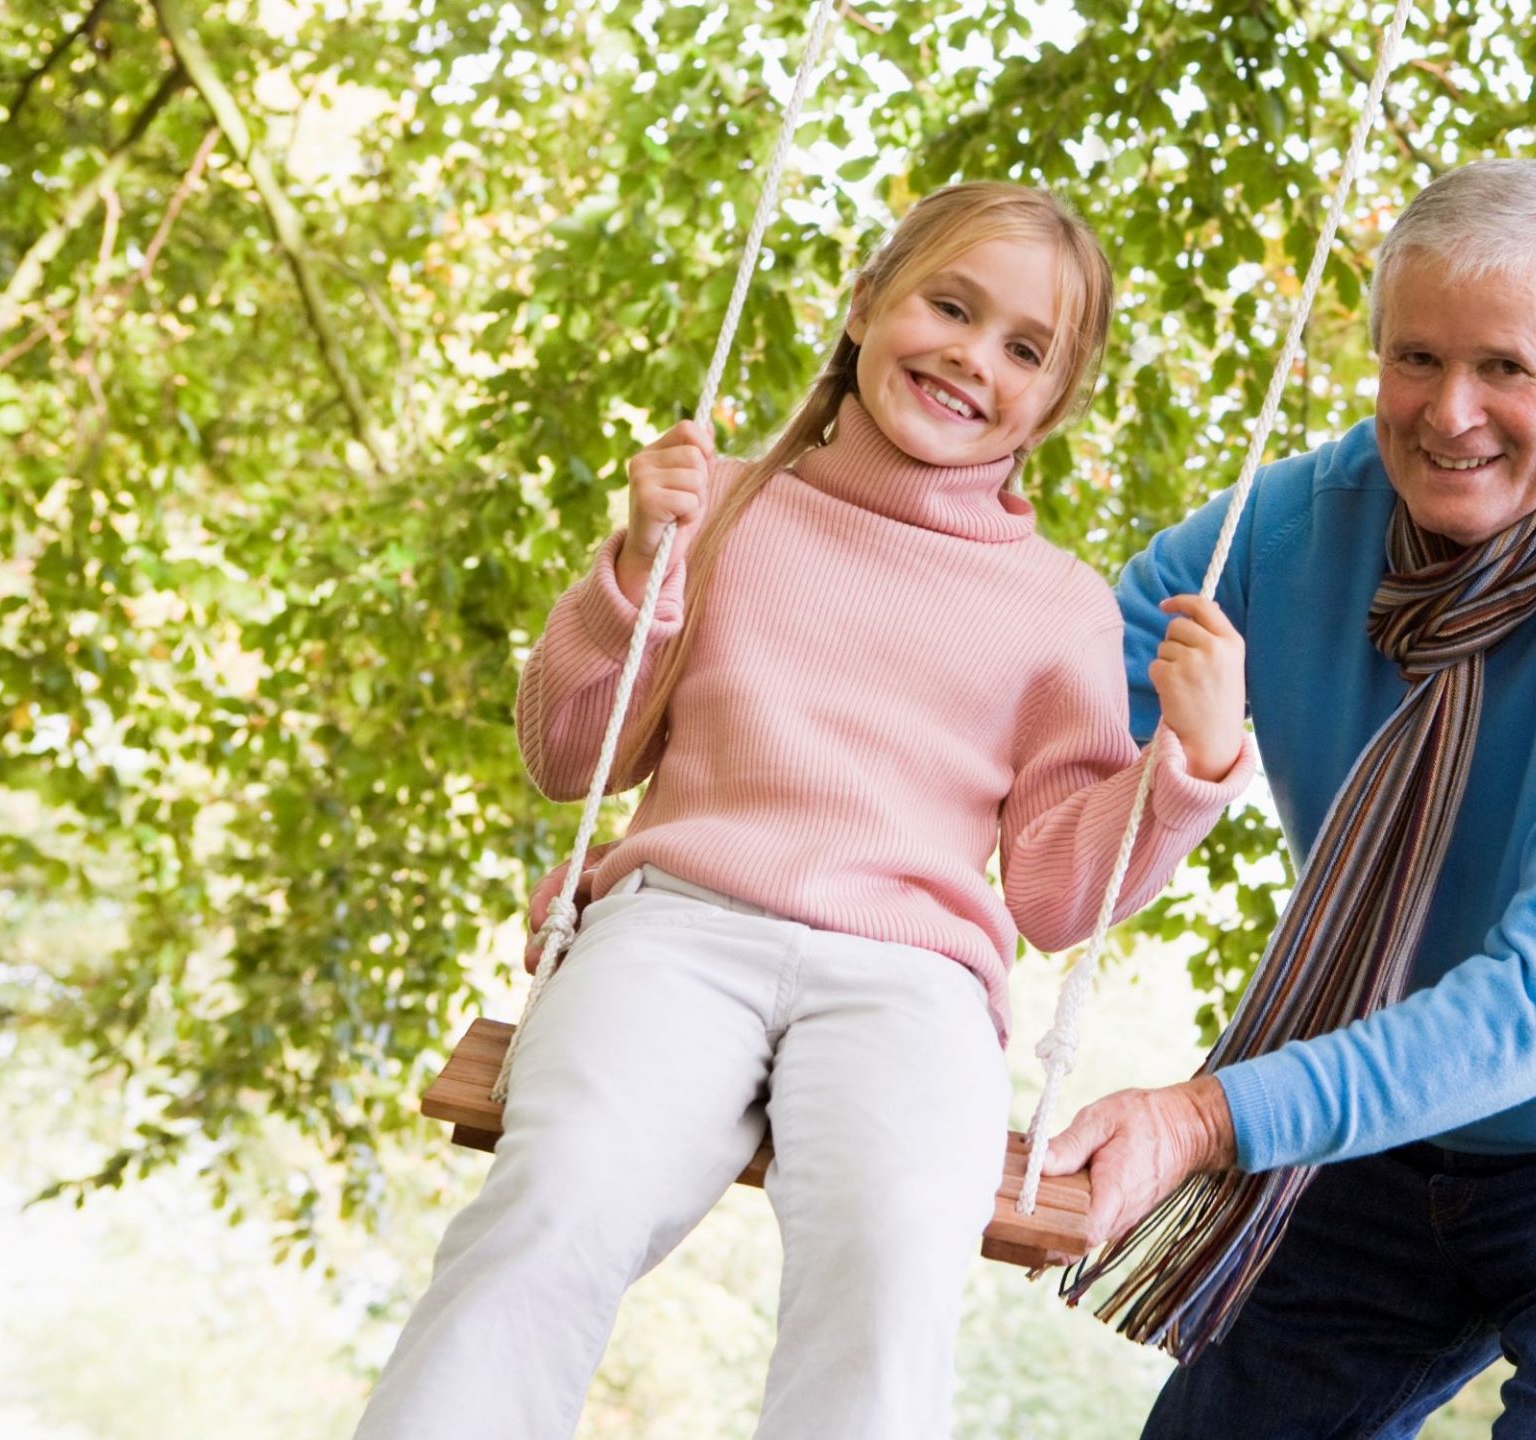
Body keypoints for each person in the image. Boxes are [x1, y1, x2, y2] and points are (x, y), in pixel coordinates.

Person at [356, 183, 1256, 1440]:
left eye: (1023, 349)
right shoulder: (721, 508)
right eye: (948, 305)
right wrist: (631, 571)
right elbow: (567, 754)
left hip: (911, 979)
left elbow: (1055, 895)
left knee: (892, 1257)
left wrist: (1187, 771)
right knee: (561, 1195)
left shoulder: (1056, 606)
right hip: (676, 930)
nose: (970, 357)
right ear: (864, 301)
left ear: (1054, 404)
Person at [1039, 159, 1536, 1438]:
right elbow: (1036, 709)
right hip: (1401, 1128)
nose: (1449, 413)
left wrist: (1207, 1117)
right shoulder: (1293, 528)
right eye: (1414, 359)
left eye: (1506, 367)